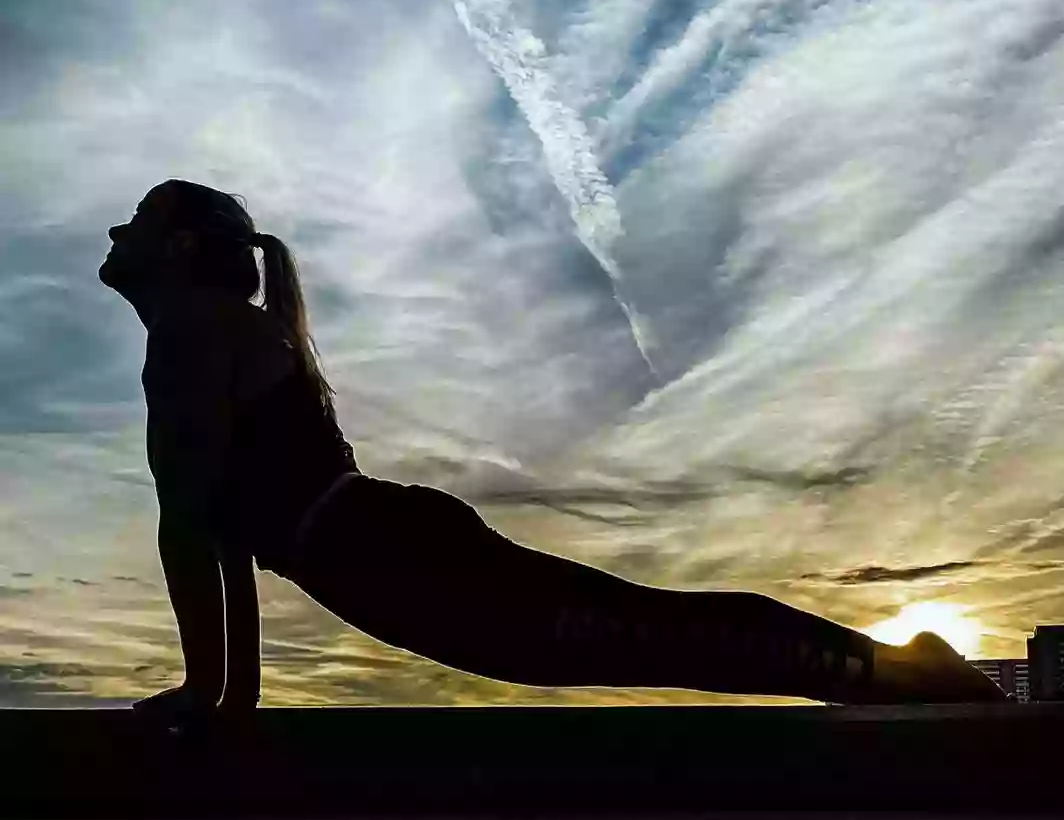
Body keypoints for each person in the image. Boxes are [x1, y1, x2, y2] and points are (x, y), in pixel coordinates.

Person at [98, 179, 1004, 724]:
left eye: (134, 221)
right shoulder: (217, 329)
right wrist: (227, 699)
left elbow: (189, 527)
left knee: (639, 634)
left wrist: (206, 693)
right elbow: (221, 533)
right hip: (383, 545)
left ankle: (902, 670)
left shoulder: (190, 329)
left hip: (391, 558)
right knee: (636, 632)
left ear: (178, 249)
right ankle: (899, 668)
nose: (113, 234)